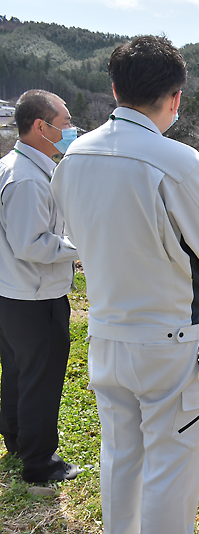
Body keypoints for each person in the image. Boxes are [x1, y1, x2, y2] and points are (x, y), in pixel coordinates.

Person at [51, 36, 199, 533]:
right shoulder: (179, 163)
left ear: (114, 88)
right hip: (171, 342)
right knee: (170, 472)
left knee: (119, 460)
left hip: (107, 332)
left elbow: (76, 237)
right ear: (175, 97)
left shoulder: (72, 159)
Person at [0, 90, 81, 483]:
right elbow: (31, 244)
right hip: (35, 296)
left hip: (14, 293)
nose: (69, 130)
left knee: (18, 372)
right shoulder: (27, 179)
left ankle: (17, 438)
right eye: (65, 123)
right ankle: (40, 463)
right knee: (42, 378)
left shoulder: (15, 166)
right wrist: (81, 248)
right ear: (40, 127)